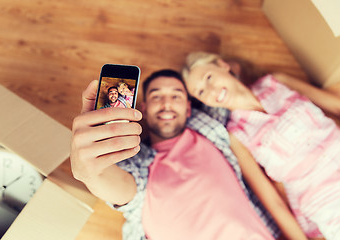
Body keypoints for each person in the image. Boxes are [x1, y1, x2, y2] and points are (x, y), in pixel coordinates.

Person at [70, 70, 307, 240]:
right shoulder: (139, 163)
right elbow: (122, 187)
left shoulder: (213, 128)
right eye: (156, 96)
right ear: (142, 108)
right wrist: (91, 173)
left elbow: (231, 70)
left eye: (176, 96)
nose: (166, 103)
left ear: (189, 107)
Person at [182, 51, 340, 240]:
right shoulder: (236, 136)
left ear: (222, 65)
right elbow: (273, 202)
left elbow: (336, 106)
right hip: (324, 201)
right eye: (200, 92)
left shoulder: (277, 82)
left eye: (208, 78)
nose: (210, 90)